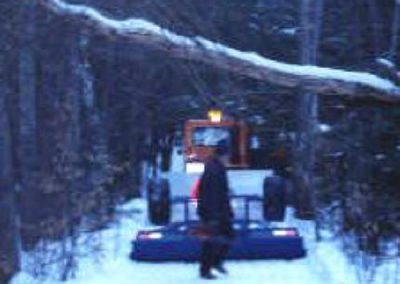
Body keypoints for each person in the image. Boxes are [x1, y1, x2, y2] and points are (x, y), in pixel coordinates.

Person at [197, 140, 235, 279]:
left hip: (219, 211)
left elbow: (221, 192)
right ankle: (205, 270)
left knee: (229, 236)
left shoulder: (217, 167)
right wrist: (213, 216)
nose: (229, 158)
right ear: (222, 154)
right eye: (228, 154)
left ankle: (217, 262)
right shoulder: (214, 170)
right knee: (210, 241)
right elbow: (211, 194)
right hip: (212, 212)